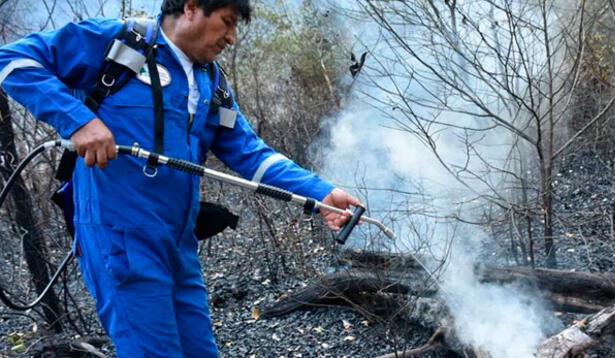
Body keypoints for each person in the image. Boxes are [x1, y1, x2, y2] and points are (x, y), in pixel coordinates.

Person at [0, 0, 360, 356]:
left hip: (179, 242)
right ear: (191, 7)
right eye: (227, 22)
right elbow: (13, 60)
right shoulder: (118, 42)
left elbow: (250, 153)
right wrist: (78, 120)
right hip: (122, 241)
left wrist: (321, 192)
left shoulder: (210, 81)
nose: (232, 38)